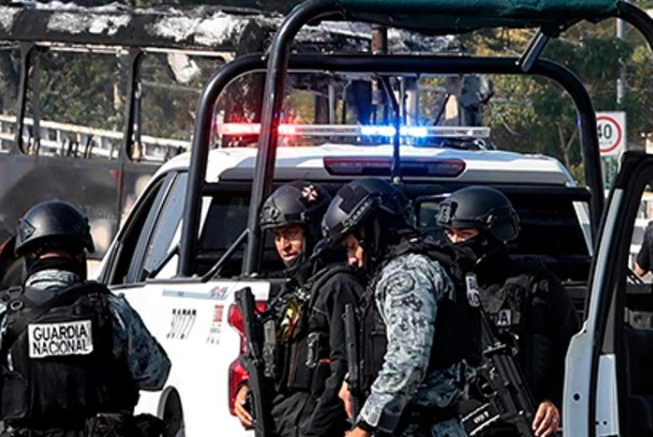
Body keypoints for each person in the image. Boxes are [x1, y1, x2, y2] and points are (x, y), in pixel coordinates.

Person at [0, 201, 172, 437]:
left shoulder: (3, 318)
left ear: (27, 256)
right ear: (80, 254)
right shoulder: (113, 310)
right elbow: (156, 375)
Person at [330, 179, 472, 437]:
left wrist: (365, 425)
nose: (352, 259)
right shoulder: (405, 269)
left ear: (372, 232)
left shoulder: (406, 275)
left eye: (352, 246)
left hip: (419, 427)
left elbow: (409, 359)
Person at [233, 181, 369, 437]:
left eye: (292, 233)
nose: (283, 246)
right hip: (283, 420)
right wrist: (246, 388)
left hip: (317, 422)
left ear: (315, 232)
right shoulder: (294, 288)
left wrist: (317, 431)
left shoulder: (339, 285)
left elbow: (344, 369)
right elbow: (271, 358)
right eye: (277, 236)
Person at [437, 186, 574, 437]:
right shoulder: (442, 286)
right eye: (449, 234)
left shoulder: (536, 286)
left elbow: (572, 350)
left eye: (465, 234)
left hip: (524, 420)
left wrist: (555, 399)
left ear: (491, 235)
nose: (455, 243)